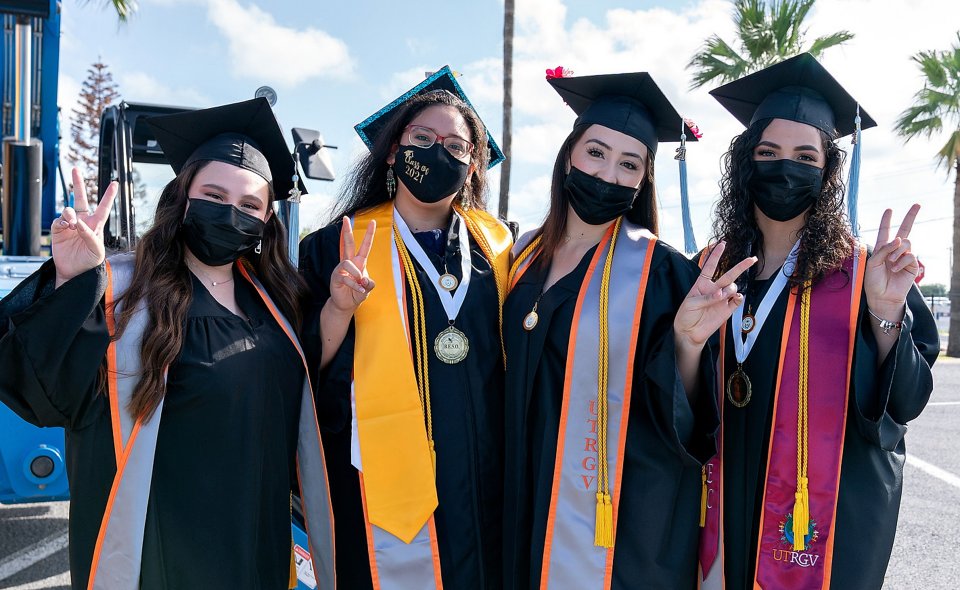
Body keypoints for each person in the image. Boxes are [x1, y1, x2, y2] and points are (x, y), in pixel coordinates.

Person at [0, 98, 334, 590]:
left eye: (248, 206)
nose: (230, 213)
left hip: (256, 536)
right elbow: (44, 391)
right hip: (165, 545)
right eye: (214, 196)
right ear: (183, 197)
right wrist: (73, 280)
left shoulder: (276, 301)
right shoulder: (124, 292)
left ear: (266, 222)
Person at [502, 70, 756, 589]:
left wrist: (687, 343)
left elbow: (681, 415)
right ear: (567, 155)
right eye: (595, 153)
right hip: (519, 493)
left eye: (629, 164)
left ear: (643, 181)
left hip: (612, 517)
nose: (608, 174)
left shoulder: (661, 273)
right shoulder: (522, 257)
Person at [698, 53, 938, 589]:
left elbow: (903, 403)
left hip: (810, 533)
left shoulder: (863, 273)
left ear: (828, 171)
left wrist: (884, 311)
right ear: (745, 164)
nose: (786, 168)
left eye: (806, 156)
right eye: (768, 152)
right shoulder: (709, 269)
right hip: (715, 516)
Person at [299, 67, 512, 589]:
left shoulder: (500, 246)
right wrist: (338, 308)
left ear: (472, 167)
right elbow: (305, 367)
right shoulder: (340, 244)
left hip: (485, 471)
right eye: (422, 138)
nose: (438, 152)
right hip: (377, 483)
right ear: (393, 151)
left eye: (456, 146)